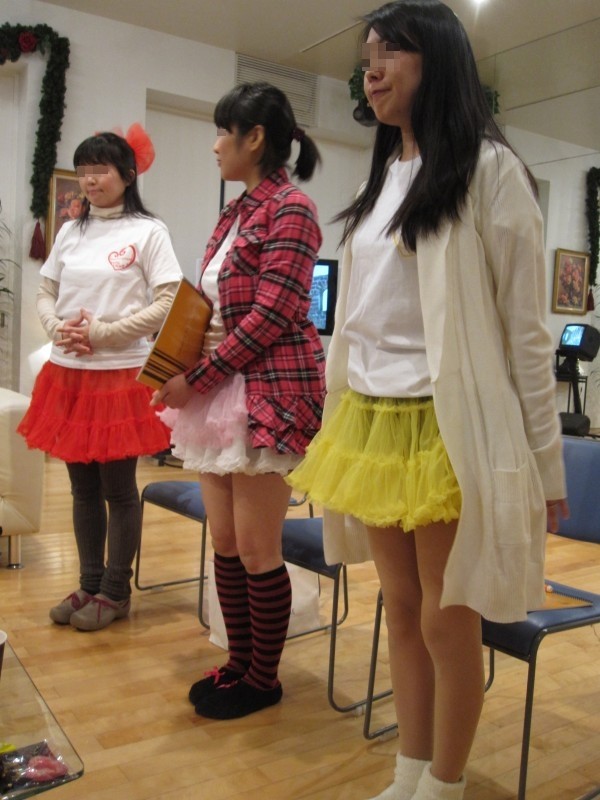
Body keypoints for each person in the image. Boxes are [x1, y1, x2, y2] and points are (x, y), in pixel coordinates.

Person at [286, 2, 569, 799]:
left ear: (437, 59)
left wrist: (547, 467)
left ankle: (445, 785)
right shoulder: (378, 182)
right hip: (373, 419)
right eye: (366, 58)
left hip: (450, 425)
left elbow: (526, 334)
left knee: (448, 617)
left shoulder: (490, 170)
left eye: (390, 54)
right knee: (403, 608)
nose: (371, 72)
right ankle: (409, 772)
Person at [151, 82, 325, 720]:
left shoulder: (293, 208)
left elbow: (273, 316)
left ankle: (264, 680)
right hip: (221, 386)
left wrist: (196, 378)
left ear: (255, 138)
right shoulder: (236, 212)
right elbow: (211, 306)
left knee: (256, 548)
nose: (215, 145)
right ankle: (238, 664)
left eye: (224, 132)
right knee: (224, 541)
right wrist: (179, 362)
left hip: (268, 391)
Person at [18, 126, 182, 632]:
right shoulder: (71, 230)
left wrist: (106, 333)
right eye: (84, 171)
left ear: (127, 175)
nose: (89, 180)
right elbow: (45, 292)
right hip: (69, 374)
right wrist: (56, 328)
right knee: (81, 489)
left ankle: (116, 591)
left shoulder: (148, 231)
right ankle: (89, 584)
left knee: (119, 489)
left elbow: (169, 300)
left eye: (100, 170)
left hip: (120, 376)